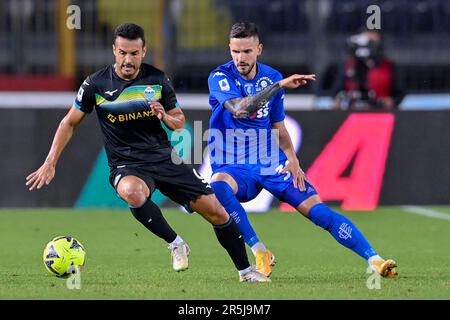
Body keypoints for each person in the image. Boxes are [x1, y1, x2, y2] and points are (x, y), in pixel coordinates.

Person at [25, 23, 269, 283]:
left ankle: (245, 272)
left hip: (165, 159)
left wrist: (164, 116)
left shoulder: (157, 79)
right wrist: (50, 162)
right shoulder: (95, 84)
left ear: (144, 51)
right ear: (114, 51)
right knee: (132, 192)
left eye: (133, 53)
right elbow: (69, 122)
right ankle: (175, 243)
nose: (127, 60)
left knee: (217, 212)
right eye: (122, 53)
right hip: (127, 163)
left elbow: (178, 121)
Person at [207, 22, 398, 278]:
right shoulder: (221, 76)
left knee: (317, 211)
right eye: (236, 52)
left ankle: (375, 259)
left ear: (259, 49)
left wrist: (293, 159)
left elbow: (278, 126)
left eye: (247, 51)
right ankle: (259, 250)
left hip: (269, 161)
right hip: (234, 166)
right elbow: (241, 108)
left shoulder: (271, 77)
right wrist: (281, 86)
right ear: (229, 49)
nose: (241, 58)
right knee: (218, 185)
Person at [332, 30, 403, 110]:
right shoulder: (348, 65)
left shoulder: (389, 66)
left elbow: (399, 93)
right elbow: (337, 91)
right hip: (353, 110)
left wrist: (391, 101)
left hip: (381, 112)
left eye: (372, 42)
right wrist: (337, 101)